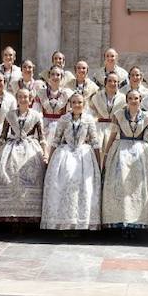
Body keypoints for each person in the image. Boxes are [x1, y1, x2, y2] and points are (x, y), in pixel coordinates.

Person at [41, 91, 102, 232]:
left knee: (83, 187)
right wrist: (50, 161)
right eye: (74, 102)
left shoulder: (88, 119)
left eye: (80, 102)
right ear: (70, 104)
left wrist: (98, 164)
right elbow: (56, 140)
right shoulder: (63, 119)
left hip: (84, 156)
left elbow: (95, 142)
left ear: (84, 104)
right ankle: (64, 223)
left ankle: (80, 224)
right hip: (65, 154)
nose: (77, 105)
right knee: (65, 183)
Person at [101, 87, 148, 234]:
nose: (133, 101)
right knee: (121, 186)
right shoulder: (118, 115)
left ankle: (137, 224)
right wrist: (106, 154)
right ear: (126, 100)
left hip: (140, 153)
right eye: (131, 99)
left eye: (136, 99)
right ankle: (121, 222)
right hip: (121, 151)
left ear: (140, 100)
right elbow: (113, 135)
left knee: (137, 189)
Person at [0, 87, 47, 224]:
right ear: (17, 99)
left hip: (30, 148)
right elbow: (3, 136)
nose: (23, 99)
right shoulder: (10, 115)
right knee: (9, 176)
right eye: (20, 97)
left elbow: (42, 137)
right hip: (11, 147)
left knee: (30, 178)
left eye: (26, 97)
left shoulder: (36, 116)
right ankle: (11, 216)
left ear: (30, 99)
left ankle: (28, 217)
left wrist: (45, 154)